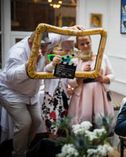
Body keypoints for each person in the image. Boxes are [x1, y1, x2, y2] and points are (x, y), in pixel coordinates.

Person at [0, 25, 80, 157]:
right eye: (41, 47)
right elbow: (10, 76)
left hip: (31, 92)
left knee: (37, 121)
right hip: (11, 91)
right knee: (24, 123)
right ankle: (18, 154)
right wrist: (29, 65)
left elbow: (59, 35)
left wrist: (71, 29)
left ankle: (26, 148)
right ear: (31, 42)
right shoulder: (17, 52)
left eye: (45, 46)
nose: (44, 50)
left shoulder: (44, 40)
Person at [67, 35, 115, 126]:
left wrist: (103, 78)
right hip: (83, 94)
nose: (85, 46)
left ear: (91, 42)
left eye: (87, 43)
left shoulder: (102, 57)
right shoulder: (74, 61)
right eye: (82, 44)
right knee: (85, 116)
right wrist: (81, 74)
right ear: (77, 45)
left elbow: (112, 75)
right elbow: (69, 81)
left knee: (100, 117)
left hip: (99, 92)